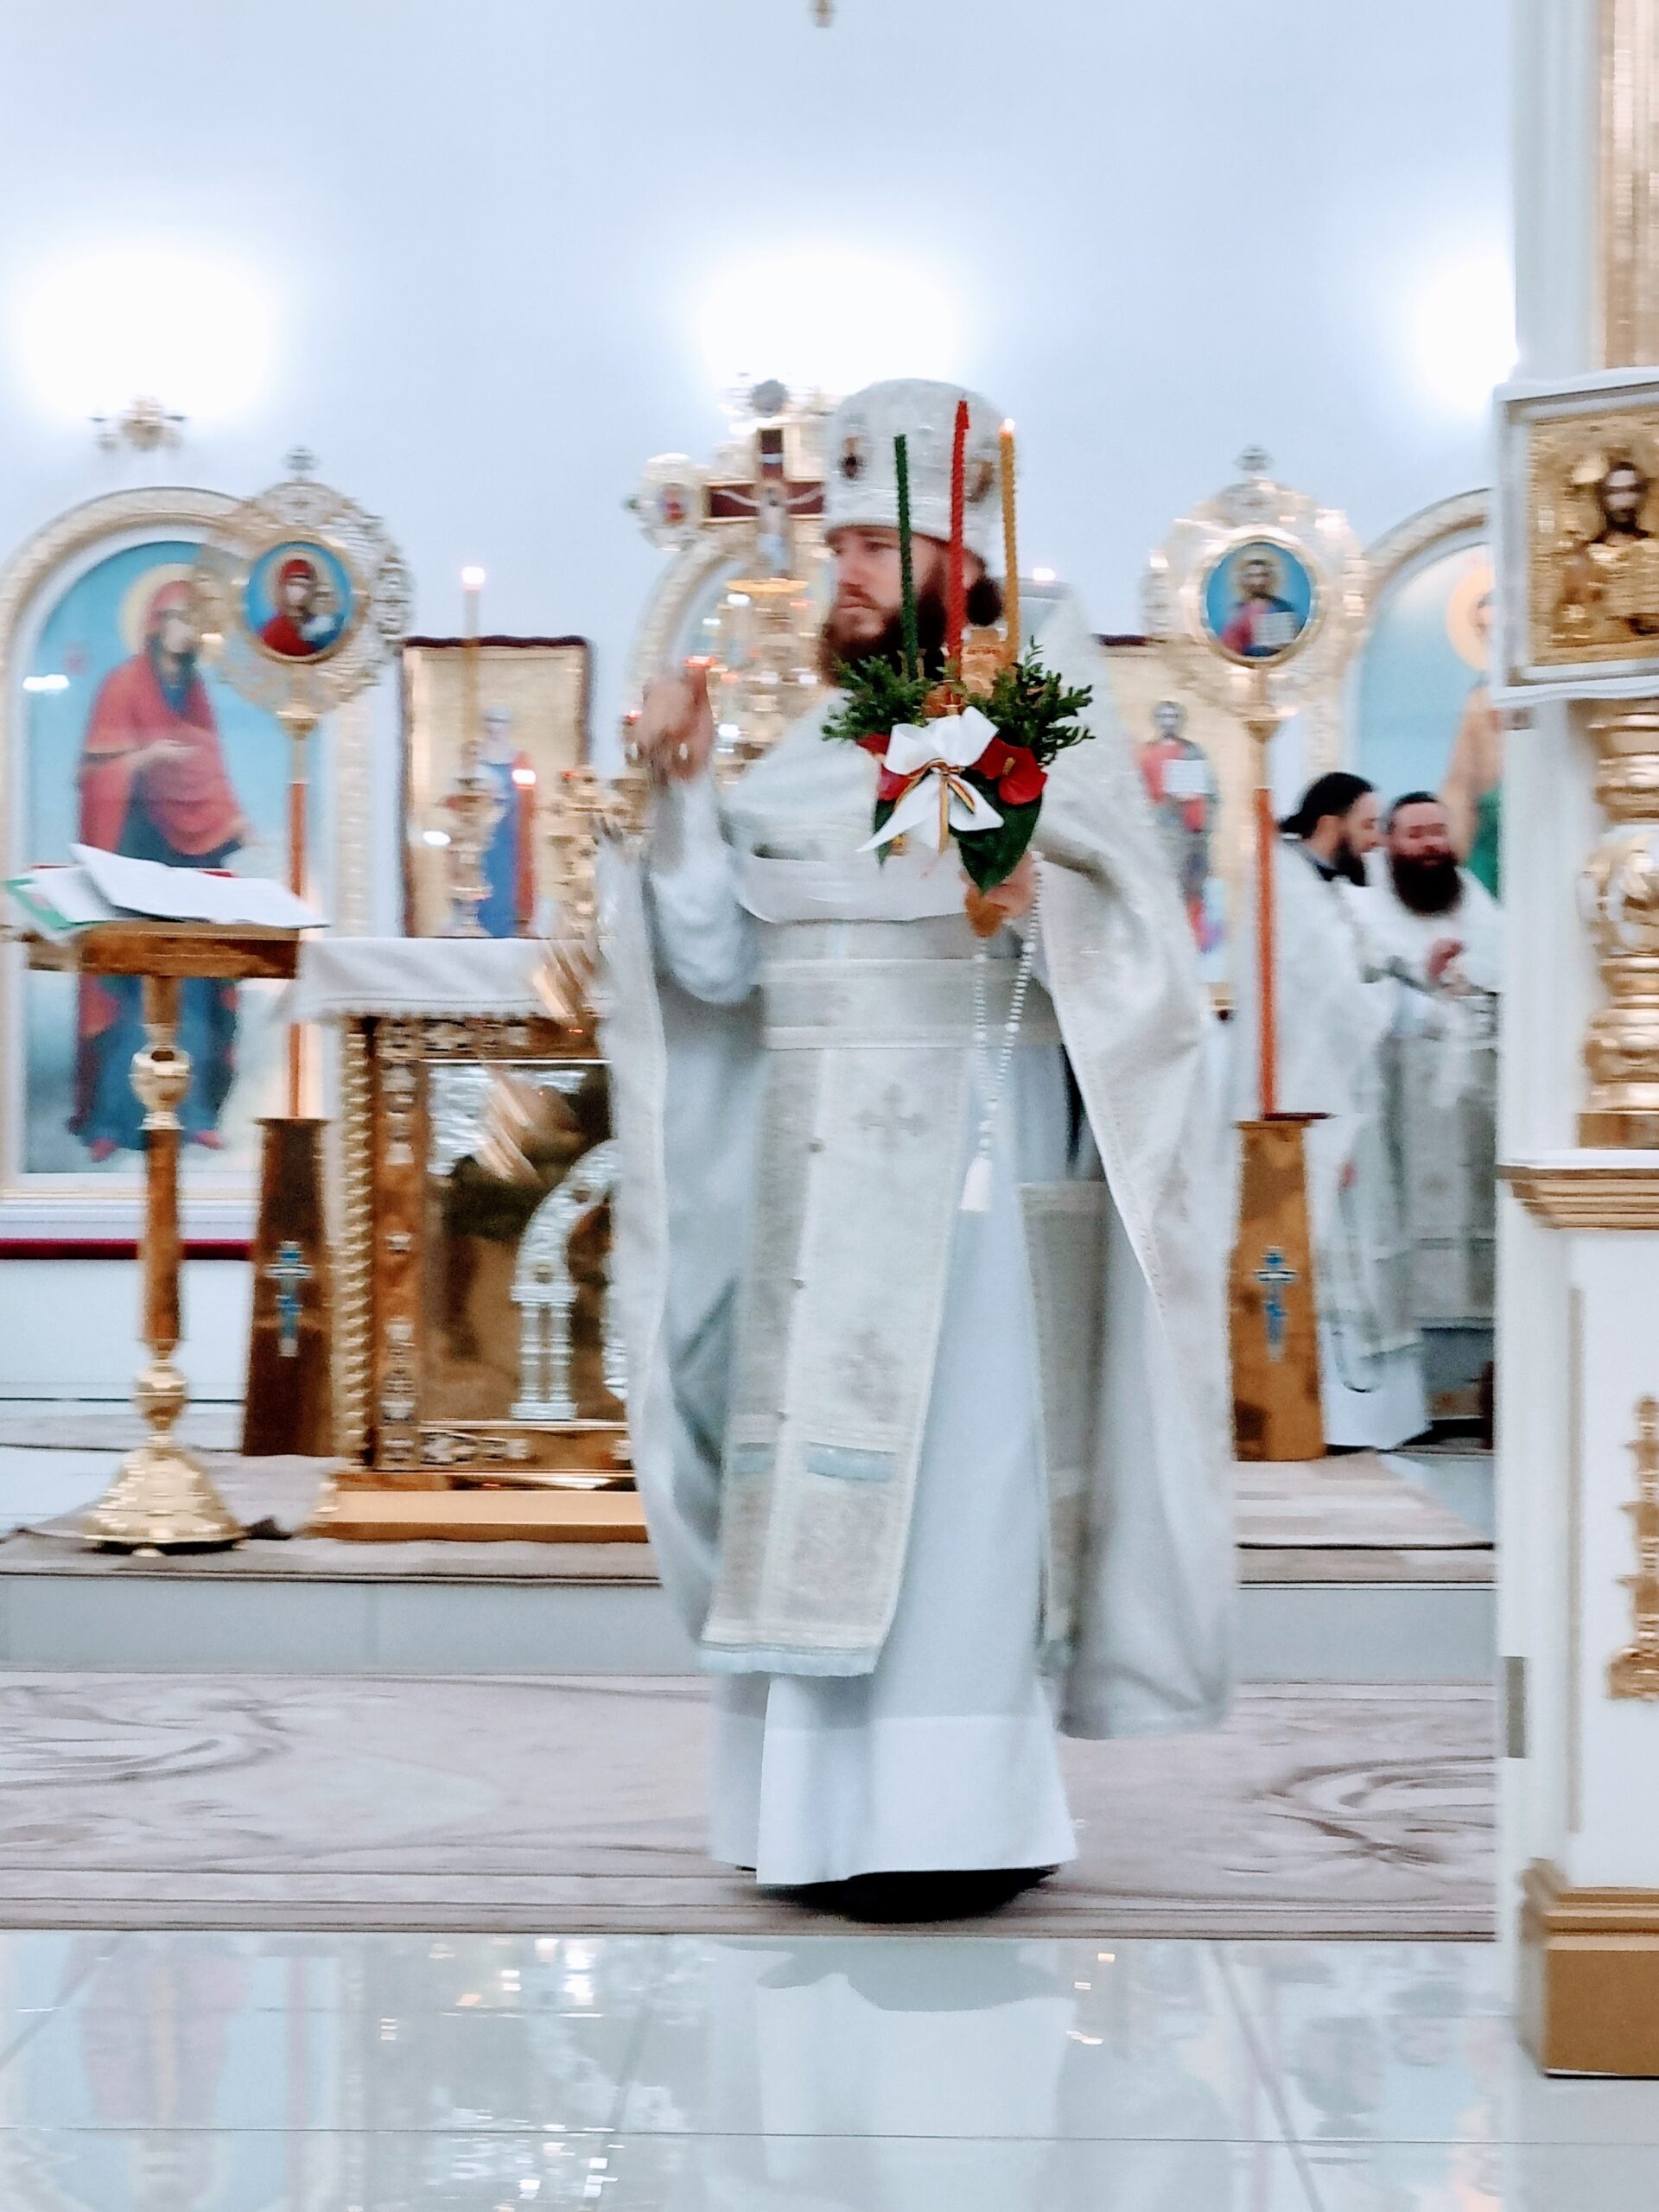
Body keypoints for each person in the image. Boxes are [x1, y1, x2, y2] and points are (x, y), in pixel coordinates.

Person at [602, 378, 1232, 1918]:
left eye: (879, 546)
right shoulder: (818, 747)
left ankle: (957, 1822)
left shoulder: (1042, 717)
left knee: (966, 1502)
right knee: (808, 1498)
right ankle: (812, 1820)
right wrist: (678, 799)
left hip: (973, 1183)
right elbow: (719, 964)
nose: (847, 574)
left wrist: (1041, 897)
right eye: (841, 548)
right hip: (809, 1198)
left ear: (966, 556)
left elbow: (1139, 953)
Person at [1231, 772, 1427, 1450]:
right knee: (1310, 1251)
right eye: (1368, 825)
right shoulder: (1284, 886)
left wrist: (1410, 975)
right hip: (1306, 1098)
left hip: (1340, 1093)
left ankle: (1364, 1413)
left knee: (1353, 1248)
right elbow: (1330, 1000)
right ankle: (1318, 1411)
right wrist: (1388, 999)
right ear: (1331, 823)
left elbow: (1360, 969)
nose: (1376, 841)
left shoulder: (1325, 889)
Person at [72, 578, 249, 1159]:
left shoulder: (194, 693)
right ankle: (110, 1122)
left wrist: (232, 820)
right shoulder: (122, 684)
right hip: (133, 847)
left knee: (193, 984)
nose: (184, 630)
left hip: (190, 857)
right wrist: (148, 757)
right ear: (155, 624)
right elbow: (92, 773)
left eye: (193, 621)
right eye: (176, 618)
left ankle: (194, 1114)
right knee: (132, 985)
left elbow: (211, 771)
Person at [1364, 792, 1501, 1351]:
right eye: (1416, 834)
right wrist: (1424, 977)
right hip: (1400, 1094)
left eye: (1437, 832)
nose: (1430, 846)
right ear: (1390, 841)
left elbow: (1502, 962)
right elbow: (1366, 989)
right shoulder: (1367, 903)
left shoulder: (1469, 895)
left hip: (1472, 1097)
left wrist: (1474, 981)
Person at [1219, 550, 1300, 659]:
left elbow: (1296, 647)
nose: (1258, 582)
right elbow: (1230, 649)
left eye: (1263, 575)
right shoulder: (1237, 612)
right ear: (1243, 580)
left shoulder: (1283, 608)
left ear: (1270, 578)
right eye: (1252, 576)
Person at [260, 554, 340, 658]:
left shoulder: (323, 623)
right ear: (282, 587)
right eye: (293, 585)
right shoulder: (273, 632)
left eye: (305, 586)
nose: (299, 591)